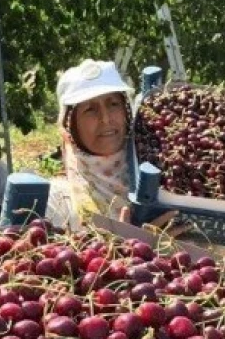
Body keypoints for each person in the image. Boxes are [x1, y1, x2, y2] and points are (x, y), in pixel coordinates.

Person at [48, 59, 185, 236]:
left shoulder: (169, 178)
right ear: (69, 126)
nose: (105, 118)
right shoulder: (58, 200)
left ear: (127, 111)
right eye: (90, 109)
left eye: (113, 104)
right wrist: (130, 249)